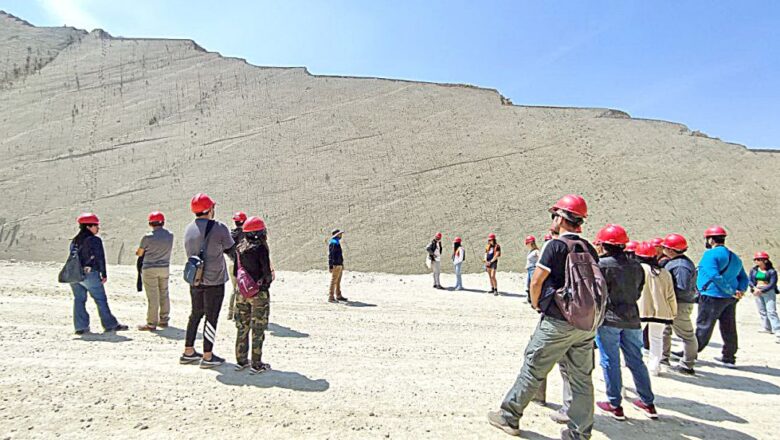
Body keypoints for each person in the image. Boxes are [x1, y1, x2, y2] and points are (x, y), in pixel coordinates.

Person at [488, 194, 598, 440]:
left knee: (533, 366)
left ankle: (509, 417)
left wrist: (537, 304)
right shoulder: (589, 248)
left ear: (560, 217)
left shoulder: (555, 245)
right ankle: (579, 433)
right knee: (581, 379)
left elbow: (536, 281)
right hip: (586, 324)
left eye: (554, 215)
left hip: (558, 321)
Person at [593, 225, 658, 420]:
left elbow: (596, 293)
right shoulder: (636, 266)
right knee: (636, 360)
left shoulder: (601, 265)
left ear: (604, 244)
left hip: (609, 319)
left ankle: (614, 404)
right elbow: (638, 291)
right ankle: (648, 402)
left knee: (610, 361)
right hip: (632, 317)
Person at [181, 193, 235, 368]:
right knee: (211, 317)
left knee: (195, 313)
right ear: (210, 209)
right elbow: (231, 249)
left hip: (195, 280)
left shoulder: (189, 228)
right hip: (214, 281)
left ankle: (188, 351)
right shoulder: (219, 227)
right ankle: (208, 355)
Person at [695, 226, 749, 368]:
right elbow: (744, 277)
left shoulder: (710, 255)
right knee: (729, 327)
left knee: (704, 326)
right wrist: (739, 291)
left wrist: (730, 290)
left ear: (711, 239)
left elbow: (714, 275)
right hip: (730, 299)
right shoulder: (735, 257)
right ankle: (729, 357)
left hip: (712, 295)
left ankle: (691, 352)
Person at [68, 213, 128, 334]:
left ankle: (80, 327)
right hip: (90, 274)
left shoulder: (74, 240)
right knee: (100, 300)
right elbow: (100, 258)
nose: (98, 228)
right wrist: (104, 274)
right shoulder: (95, 240)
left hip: (74, 275)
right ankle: (110, 325)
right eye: (95, 225)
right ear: (88, 227)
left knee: (79, 300)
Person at [234, 216, 274, 374]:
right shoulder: (261, 248)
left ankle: (241, 360)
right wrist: (265, 284)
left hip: (241, 292)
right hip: (258, 293)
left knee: (242, 326)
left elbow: (236, 271)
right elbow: (266, 272)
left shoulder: (239, 247)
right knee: (258, 329)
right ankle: (256, 364)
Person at [635, 241, 677, 377]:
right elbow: (670, 294)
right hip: (662, 312)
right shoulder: (665, 272)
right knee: (657, 339)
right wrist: (673, 312)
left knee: (634, 339)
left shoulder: (638, 269)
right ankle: (654, 367)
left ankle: (632, 364)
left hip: (641, 310)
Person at [660, 233, 699, 375]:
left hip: (679, 304)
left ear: (670, 249)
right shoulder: (677, 262)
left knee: (686, 335)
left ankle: (687, 365)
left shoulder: (681, 266)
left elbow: (681, 288)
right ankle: (663, 358)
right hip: (674, 303)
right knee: (665, 331)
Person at [136, 211, 174, 331]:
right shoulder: (170, 235)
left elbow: (140, 253)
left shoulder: (147, 237)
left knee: (153, 296)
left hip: (150, 269)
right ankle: (164, 320)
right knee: (164, 293)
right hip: (165, 268)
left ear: (150, 223)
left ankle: (151, 323)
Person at [748, 252, 779, 340]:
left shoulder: (771, 271)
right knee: (762, 310)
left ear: (765, 261)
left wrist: (761, 290)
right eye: (755, 260)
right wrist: (754, 288)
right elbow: (750, 280)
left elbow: (772, 283)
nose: (756, 261)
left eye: (758, 260)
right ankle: (766, 327)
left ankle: (777, 329)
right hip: (757, 290)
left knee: (771, 311)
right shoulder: (754, 270)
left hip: (768, 291)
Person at [226, 211, 246, 321]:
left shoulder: (231, 234)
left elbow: (226, 249)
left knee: (234, 289)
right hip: (241, 264)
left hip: (231, 262)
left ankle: (230, 313)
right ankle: (237, 314)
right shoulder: (246, 235)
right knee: (240, 289)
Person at [328, 229, 348, 302]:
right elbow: (331, 255)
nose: (341, 235)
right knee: (334, 281)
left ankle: (338, 295)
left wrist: (342, 264)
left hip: (339, 264)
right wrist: (331, 265)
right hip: (336, 264)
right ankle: (331, 296)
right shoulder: (333, 242)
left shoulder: (336, 242)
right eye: (340, 234)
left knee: (338, 281)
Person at [524, 235, 539, 300]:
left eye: (527, 243)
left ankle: (534, 299)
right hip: (529, 270)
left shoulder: (536, 251)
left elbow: (540, 258)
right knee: (528, 285)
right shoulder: (531, 251)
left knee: (532, 285)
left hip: (533, 269)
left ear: (530, 243)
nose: (526, 244)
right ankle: (530, 298)